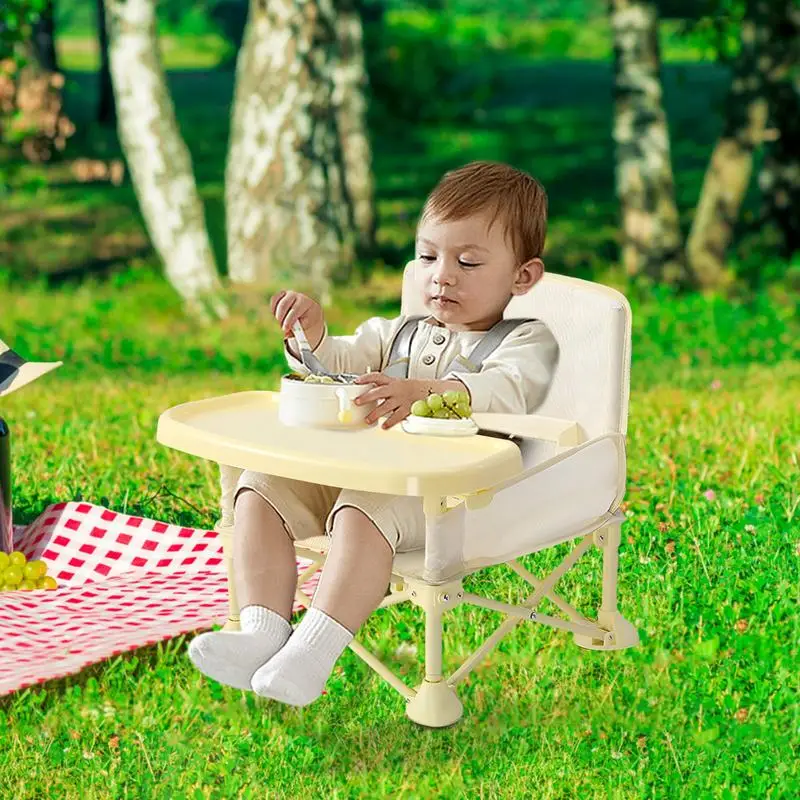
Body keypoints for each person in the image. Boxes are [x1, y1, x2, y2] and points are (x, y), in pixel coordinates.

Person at [188, 160, 560, 706]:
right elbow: (338, 361)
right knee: (259, 485)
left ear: (522, 277)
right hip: (358, 473)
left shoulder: (527, 340)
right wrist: (313, 334)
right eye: (428, 256)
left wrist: (427, 393)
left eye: (468, 261)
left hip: (451, 499)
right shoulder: (400, 332)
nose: (442, 275)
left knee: (365, 509)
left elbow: (508, 391)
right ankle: (263, 633)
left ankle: (311, 655)